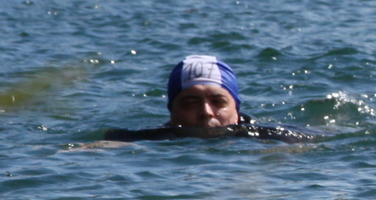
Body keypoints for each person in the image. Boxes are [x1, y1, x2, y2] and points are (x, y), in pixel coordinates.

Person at [99, 55, 313, 143]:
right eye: (190, 104)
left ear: (236, 108)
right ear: (171, 110)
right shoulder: (139, 140)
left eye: (218, 101)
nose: (206, 112)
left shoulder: (277, 137)